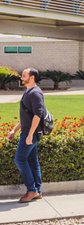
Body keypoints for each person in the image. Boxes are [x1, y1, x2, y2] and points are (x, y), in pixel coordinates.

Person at [7, 68, 45, 203]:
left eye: (24, 76)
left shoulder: (35, 93)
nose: (21, 78)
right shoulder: (29, 92)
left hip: (30, 133)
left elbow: (37, 115)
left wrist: (29, 135)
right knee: (32, 162)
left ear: (32, 77)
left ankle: (31, 189)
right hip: (28, 132)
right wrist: (14, 130)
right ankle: (38, 191)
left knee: (19, 160)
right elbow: (26, 116)